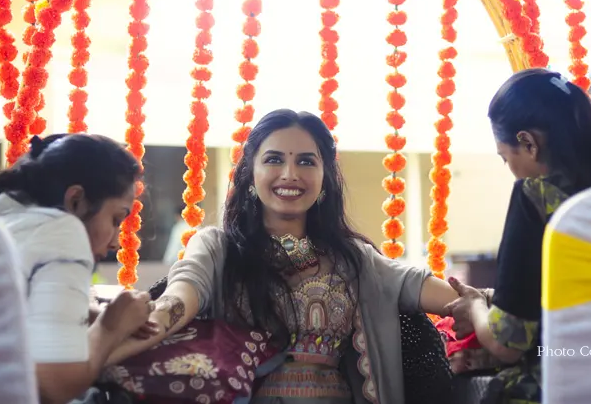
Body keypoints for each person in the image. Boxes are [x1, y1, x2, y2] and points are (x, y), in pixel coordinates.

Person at [115, 109, 460, 404]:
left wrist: (487, 307)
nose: (290, 174)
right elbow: (180, 297)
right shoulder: (217, 248)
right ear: (251, 173)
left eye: (306, 161)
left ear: (325, 179)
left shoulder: (354, 259)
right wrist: (107, 347)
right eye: (274, 159)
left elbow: (434, 291)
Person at [445, 69, 591, 404]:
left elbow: (507, 343)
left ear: (529, 143)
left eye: (507, 159)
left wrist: (475, 306)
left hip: (576, 385)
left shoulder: (537, 196)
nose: (511, 170)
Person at [0, 133, 157, 404]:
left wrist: (90, 313)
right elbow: (55, 386)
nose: (116, 241)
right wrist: (111, 326)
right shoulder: (62, 230)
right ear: (76, 201)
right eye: (116, 219)